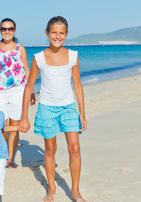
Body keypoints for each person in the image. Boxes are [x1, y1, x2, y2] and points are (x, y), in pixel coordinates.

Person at [18, 16, 88, 202]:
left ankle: (75, 190)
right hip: (47, 108)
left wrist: (82, 113)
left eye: (61, 33)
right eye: (54, 32)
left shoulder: (73, 56)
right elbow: (29, 87)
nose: (57, 36)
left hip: (68, 108)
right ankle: (51, 188)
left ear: (66, 34)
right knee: (50, 150)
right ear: (47, 33)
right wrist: (24, 116)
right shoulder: (39, 58)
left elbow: (78, 86)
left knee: (75, 148)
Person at [0, 18, 35, 168]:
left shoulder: (20, 49)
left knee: (14, 125)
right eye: (4, 29)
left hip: (18, 91)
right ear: (0, 31)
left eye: (10, 29)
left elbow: (27, 70)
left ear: (14, 30)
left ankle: (9, 159)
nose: (7, 31)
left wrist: (30, 91)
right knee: (0, 126)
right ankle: (1, 154)